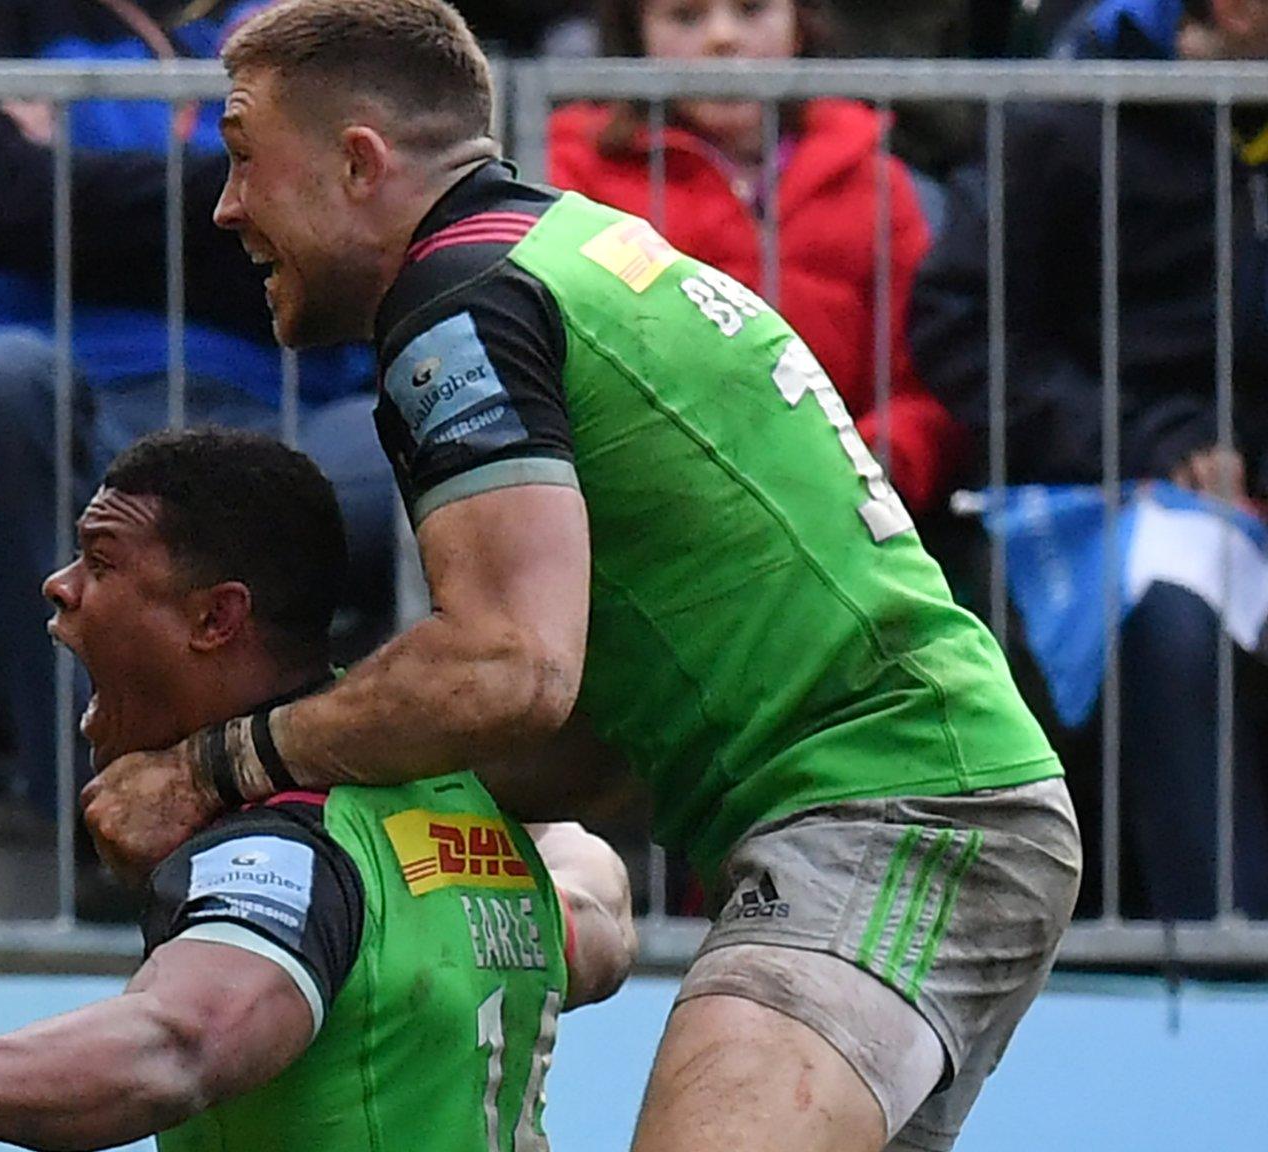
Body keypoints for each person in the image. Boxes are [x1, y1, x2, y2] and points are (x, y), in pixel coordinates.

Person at [80, 2, 1082, 1150]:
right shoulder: (562, 257)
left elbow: (511, 670)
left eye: (243, 157)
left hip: (890, 811)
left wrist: (219, 768)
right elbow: (589, 729)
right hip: (917, 803)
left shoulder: (457, 308)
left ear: (356, 160)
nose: (225, 206)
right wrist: (352, 807)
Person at [0, 429, 636, 1151]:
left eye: (102, 563)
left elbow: (180, 1042)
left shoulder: (276, 850)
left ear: (215, 619)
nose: (60, 587)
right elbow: (600, 916)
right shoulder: (454, 821)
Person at [0, 0, 395, 824]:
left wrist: (72, 204)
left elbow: (346, 242)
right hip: (76, 413)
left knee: (415, 444)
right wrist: (244, 195)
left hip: (285, 416)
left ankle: (270, 820)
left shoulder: (311, 23)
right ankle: (105, 820)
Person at [909, 0, 1268, 919]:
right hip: (1092, 496)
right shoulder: (1066, 113)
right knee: (1178, 627)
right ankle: (1228, 973)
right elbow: (967, 329)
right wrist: (1148, 446)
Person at [547, 0, 966, 515]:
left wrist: (861, 469)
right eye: (685, 17)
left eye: (752, 10)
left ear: (799, 26)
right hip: (649, 516)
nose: (723, 37)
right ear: (637, 35)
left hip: (849, 517)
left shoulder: (877, 180)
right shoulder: (571, 174)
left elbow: (924, 382)